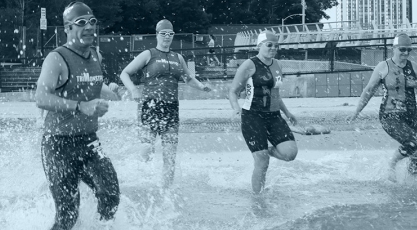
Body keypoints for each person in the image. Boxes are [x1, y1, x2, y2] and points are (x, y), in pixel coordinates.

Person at [34, 2, 120, 230]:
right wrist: (82, 106)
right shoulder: (56, 58)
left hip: (88, 141)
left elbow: (91, 83)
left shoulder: (96, 56)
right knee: (68, 215)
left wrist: (113, 92)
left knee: (110, 195)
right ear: (68, 28)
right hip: (57, 145)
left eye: (93, 22)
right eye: (82, 23)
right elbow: (41, 98)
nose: (90, 27)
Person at [119, 19, 212, 188]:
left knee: (170, 156)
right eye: (163, 34)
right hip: (150, 106)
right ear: (157, 34)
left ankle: (166, 190)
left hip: (171, 109)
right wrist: (133, 89)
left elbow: (188, 78)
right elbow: (125, 73)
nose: (167, 37)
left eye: (170, 34)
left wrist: (201, 86)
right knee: (147, 149)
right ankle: (134, 179)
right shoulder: (149, 54)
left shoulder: (178, 58)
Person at [348, 34, 417, 181]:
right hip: (390, 116)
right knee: (412, 143)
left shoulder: (414, 67)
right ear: (394, 48)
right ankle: (391, 165)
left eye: (409, 50)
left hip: (412, 116)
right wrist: (356, 112)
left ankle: (412, 186)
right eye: (402, 49)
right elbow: (368, 91)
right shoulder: (383, 67)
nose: (405, 53)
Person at [228, 30, 299, 194]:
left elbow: (275, 93)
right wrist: (236, 109)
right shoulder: (249, 65)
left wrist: (288, 113)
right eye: (269, 45)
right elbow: (233, 92)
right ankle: (258, 199)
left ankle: (263, 150)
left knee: (290, 154)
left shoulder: (277, 65)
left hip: (274, 116)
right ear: (259, 46)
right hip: (252, 116)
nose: (273, 48)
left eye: (276, 45)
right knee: (262, 161)